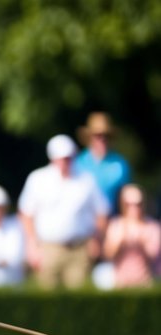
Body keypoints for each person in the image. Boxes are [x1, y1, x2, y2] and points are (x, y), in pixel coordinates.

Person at [18, 134, 108, 289]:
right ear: (52, 158)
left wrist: (96, 239)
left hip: (79, 248)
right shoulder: (38, 179)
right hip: (48, 248)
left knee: (78, 296)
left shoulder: (86, 179)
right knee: (46, 295)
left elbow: (101, 212)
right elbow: (26, 214)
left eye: (68, 158)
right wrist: (32, 245)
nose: (64, 162)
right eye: (60, 158)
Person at [100, 184, 160, 288]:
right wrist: (119, 242)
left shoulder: (152, 227)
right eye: (129, 204)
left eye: (138, 204)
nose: (134, 207)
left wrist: (142, 244)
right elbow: (107, 255)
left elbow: (154, 259)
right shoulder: (116, 225)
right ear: (123, 204)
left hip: (145, 284)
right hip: (120, 284)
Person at [74, 112, 131, 216]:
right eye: (98, 136)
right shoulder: (78, 163)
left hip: (112, 220)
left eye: (106, 136)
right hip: (85, 221)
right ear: (90, 137)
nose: (102, 139)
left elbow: (126, 197)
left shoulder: (120, 164)